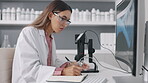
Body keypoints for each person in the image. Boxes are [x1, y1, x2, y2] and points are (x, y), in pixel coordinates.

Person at [12, 0, 89, 83]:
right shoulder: (29, 32)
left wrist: (69, 64)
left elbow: (52, 62)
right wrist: (62, 72)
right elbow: (30, 70)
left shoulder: (50, 36)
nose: (65, 24)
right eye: (62, 18)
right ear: (50, 15)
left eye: (67, 21)